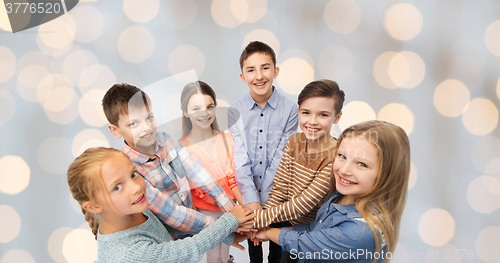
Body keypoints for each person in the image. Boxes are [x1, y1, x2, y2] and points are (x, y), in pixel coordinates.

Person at [255, 120, 411, 263]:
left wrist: (268, 234)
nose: (344, 170)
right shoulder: (341, 196)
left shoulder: (361, 231)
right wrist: (270, 230)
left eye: (362, 164)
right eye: (342, 156)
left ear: (388, 174)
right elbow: (314, 229)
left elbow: (305, 244)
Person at [101, 84, 239, 243]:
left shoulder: (165, 139)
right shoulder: (127, 167)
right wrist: (225, 228)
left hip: (197, 228)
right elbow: (171, 213)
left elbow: (196, 170)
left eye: (149, 118)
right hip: (170, 242)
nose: (147, 128)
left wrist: (229, 208)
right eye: (133, 124)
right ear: (115, 130)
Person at [67, 147, 254, 263]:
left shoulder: (132, 208)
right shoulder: (128, 255)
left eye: (133, 175)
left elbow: (176, 220)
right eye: (117, 187)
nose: (136, 187)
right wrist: (230, 220)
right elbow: (188, 250)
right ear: (92, 206)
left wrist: (227, 237)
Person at [251, 80, 344, 262]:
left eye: (323, 115)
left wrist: (258, 220)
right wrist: (265, 222)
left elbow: (304, 204)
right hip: (285, 222)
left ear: (337, 117)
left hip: (312, 232)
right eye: (306, 113)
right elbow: (280, 188)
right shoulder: (294, 141)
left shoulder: (337, 156)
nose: (312, 121)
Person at [228, 40, 299, 263]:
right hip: (248, 199)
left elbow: (281, 157)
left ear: (275, 71)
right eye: (251, 70)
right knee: (254, 250)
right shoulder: (235, 111)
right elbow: (240, 159)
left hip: (279, 197)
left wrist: (267, 206)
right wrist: (252, 202)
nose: (259, 76)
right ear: (243, 76)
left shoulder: (290, 110)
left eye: (265, 67)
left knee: (278, 254)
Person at [179, 81, 244, 263]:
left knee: (225, 252)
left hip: (231, 210)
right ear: (185, 112)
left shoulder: (227, 139)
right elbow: (194, 187)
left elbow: (234, 176)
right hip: (205, 214)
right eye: (196, 108)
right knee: (214, 254)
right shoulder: (182, 148)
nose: (205, 113)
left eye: (209, 106)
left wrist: (241, 206)